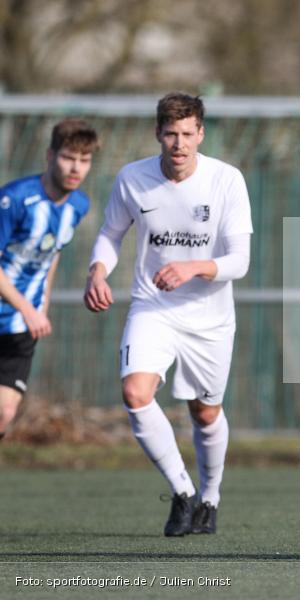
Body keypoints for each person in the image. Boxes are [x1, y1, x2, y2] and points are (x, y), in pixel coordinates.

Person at [83, 93, 253, 537]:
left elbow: (240, 261)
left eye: (187, 134)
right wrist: (97, 272)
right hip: (152, 306)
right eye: (170, 134)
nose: (179, 143)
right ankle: (182, 491)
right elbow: (110, 234)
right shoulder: (132, 179)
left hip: (210, 317)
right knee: (136, 394)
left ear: (200, 134)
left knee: (204, 412)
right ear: (158, 133)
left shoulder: (226, 180)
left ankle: (210, 498)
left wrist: (193, 267)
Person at [0, 119, 99, 440]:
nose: (76, 168)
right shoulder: (14, 199)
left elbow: (53, 253)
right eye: (69, 158)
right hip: (20, 312)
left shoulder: (79, 206)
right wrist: (27, 308)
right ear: (50, 155)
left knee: (4, 413)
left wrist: (41, 302)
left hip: (20, 326)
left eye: (84, 161)